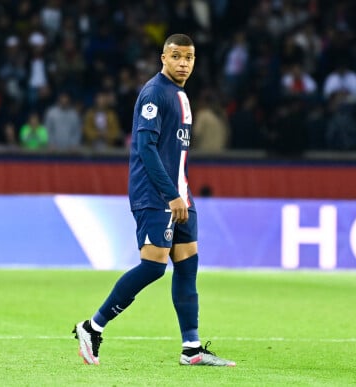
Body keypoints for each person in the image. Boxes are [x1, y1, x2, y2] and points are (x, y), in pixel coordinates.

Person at [73, 33, 235, 367]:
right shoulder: (154, 93)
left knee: (187, 264)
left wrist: (182, 194)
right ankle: (92, 326)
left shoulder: (181, 95)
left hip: (181, 195)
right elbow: (145, 149)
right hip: (156, 195)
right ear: (163, 58)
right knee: (154, 266)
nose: (183, 63)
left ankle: (191, 348)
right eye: (176, 56)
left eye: (189, 57)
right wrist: (171, 194)